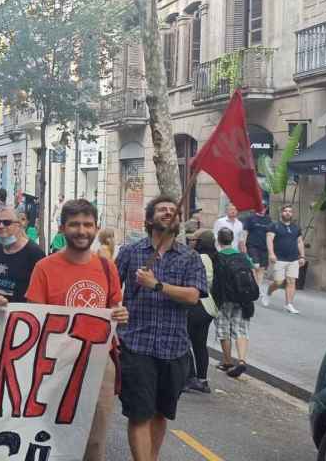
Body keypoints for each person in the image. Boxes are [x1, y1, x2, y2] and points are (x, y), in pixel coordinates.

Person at [25, 199, 128, 461]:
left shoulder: (107, 267)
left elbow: (115, 307)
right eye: (74, 224)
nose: (81, 231)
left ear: (96, 228)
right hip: (55, 364)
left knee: (94, 439)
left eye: (87, 224)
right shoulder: (44, 268)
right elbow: (33, 318)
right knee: (50, 434)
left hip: (98, 364)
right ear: (62, 229)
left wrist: (121, 314)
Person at [115, 195, 207, 461]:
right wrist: (114, 311)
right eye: (161, 210)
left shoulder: (190, 257)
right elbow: (110, 287)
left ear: (179, 221)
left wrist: (157, 285)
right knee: (139, 413)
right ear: (149, 219)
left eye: (172, 210)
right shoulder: (131, 253)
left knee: (159, 413)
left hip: (174, 347)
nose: (168, 213)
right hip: (136, 345)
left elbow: (193, 295)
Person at [212, 227, 257, 379]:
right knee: (241, 329)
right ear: (232, 240)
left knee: (223, 327)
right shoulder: (243, 257)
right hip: (243, 298)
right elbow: (253, 277)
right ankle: (242, 360)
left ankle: (227, 361)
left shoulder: (217, 257)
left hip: (225, 299)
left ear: (218, 240)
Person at [0, 206, 45, 302]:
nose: (1, 226)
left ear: (19, 225)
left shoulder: (34, 253)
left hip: (19, 314)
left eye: (6, 222)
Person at [184, 229, 218, 394]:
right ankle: (202, 379)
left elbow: (203, 282)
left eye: (194, 239)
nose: (191, 241)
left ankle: (190, 378)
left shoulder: (200, 258)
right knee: (200, 344)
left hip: (198, 305)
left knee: (184, 340)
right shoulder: (213, 256)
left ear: (200, 242)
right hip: (208, 307)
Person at [264, 204, 305, 314]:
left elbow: (300, 242)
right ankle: (268, 292)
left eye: (290, 211)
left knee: (291, 281)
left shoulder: (296, 228)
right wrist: (271, 254)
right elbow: (269, 240)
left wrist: (302, 256)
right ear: (281, 213)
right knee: (278, 282)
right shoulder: (274, 226)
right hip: (279, 258)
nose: (288, 213)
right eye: (286, 211)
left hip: (293, 259)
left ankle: (289, 304)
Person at [242, 206, 272, 286]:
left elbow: (269, 235)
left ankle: (257, 288)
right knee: (255, 266)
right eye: (261, 207)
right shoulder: (250, 218)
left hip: (264, 248)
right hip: (252, 246)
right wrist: (243, 245)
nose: (263, 209)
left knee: (261, 268)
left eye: (265, 207)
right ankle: (253, 286)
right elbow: (245, 232)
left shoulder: (268, 220)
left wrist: (270, 250)